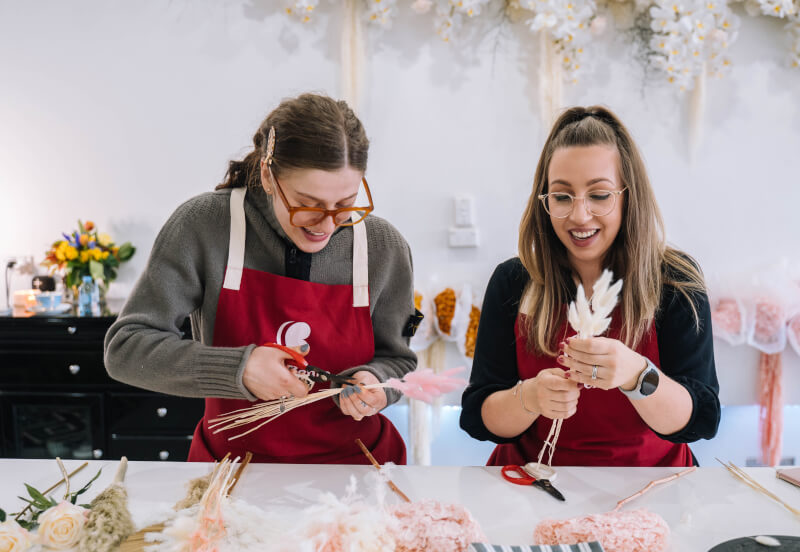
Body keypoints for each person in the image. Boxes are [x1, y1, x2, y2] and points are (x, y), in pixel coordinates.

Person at [105, 93, 417, 464]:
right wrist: (240, 369)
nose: (329, 223)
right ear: (269, 176)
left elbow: (400, 362)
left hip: (358, 469)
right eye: (308, 204)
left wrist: (377, 382)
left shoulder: (383, 247)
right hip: (233, 472)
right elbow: (126, 350)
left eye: (346, 204)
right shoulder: (205, 226)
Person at [460, 106, 720, 467]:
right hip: (533, 482)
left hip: (651, 483)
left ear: (628, 196)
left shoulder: (675, 282)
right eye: (562, 197)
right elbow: (478, 416)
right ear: (544, 200)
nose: (579, 216)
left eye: (599, 195)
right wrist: (530, 397)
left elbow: (702, 420)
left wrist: (637, 375)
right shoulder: (513, 282)